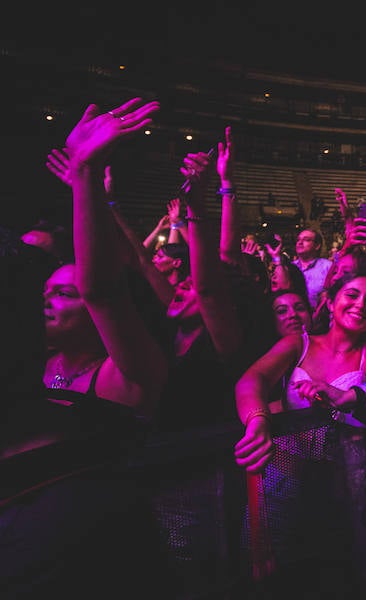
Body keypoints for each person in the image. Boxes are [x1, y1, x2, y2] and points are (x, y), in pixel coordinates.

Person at [1, 97, 172, 598]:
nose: (48, 303)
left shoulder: (129, 375)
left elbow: (105, 288)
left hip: (102, 556)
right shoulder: (32, 369)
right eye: (45, 293)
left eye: (64, 294)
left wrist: (87, 180)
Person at [233, 268, 366, 597]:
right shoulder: (300, 343)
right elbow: (253, 380)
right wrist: (258, 419)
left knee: (335, 572)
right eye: (352, 295)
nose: (360, 305)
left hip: (341, 484)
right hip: (284, 477)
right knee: (277, 575)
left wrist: (353, 395)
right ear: (330, 301)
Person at [293, 227, 332, 309]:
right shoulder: (291, 267)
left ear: (317, 246)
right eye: (298, 240)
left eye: (306, 240)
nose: (300, 242)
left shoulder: (327, 267)